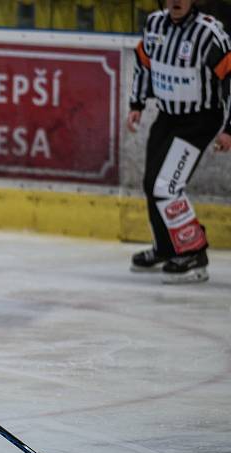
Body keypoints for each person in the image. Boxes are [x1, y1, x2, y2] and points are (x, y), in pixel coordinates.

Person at [127, 0, 231, 283]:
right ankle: (166, 248)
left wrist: (229, 128)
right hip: (168, 117)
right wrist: (136, 103)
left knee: (167, 186)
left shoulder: (209, 34)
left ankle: (194, 253)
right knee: (152, 183)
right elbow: (144, 63)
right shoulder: (154, 24)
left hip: (200, 120)